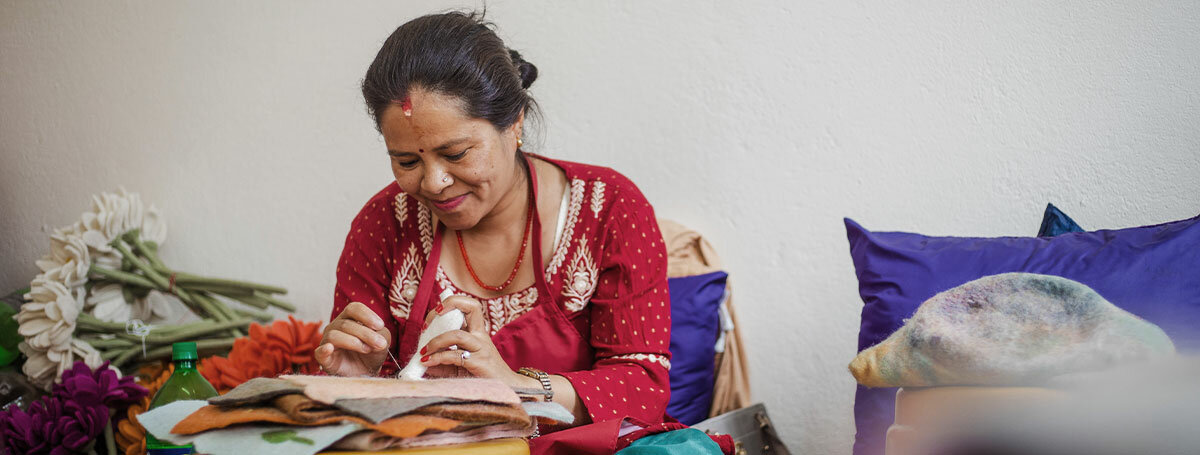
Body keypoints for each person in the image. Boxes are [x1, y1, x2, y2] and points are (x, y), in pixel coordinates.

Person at [314, 10, 673, 452]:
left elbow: (643, 386)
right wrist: (359, 382)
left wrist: (517, 388)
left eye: (456, 153)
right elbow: (373, 409)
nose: (433, 182)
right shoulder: (385, 223)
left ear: (514, 122)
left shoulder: (609, 209)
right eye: (407, 161)